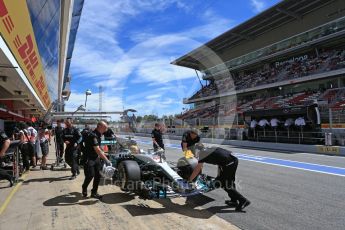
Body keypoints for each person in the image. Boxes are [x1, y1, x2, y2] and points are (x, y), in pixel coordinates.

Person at [189, 147, 250, 211]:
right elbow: (220, 160)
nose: (194, 155)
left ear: (197, 151)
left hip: (228, 163)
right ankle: (234, 201)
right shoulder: (208, 149)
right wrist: (219, 175)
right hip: (233, 160)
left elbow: (197, 169)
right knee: (229, 182)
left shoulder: (202, 154)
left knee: (224, 184)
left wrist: (190, 180)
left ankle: (243, 200)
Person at [82, 121, 111, 199]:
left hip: (96, 158)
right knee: (90, 175)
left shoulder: (99, 134)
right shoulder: (93, 135)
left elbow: (99, 147)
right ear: (100, 127)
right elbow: (97, 150)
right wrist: (106, 160)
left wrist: (104, 153)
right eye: (105, 127)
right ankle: (84, 187)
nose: (106, 129)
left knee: (98, 176)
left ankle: (94, 193)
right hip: (89, 158)